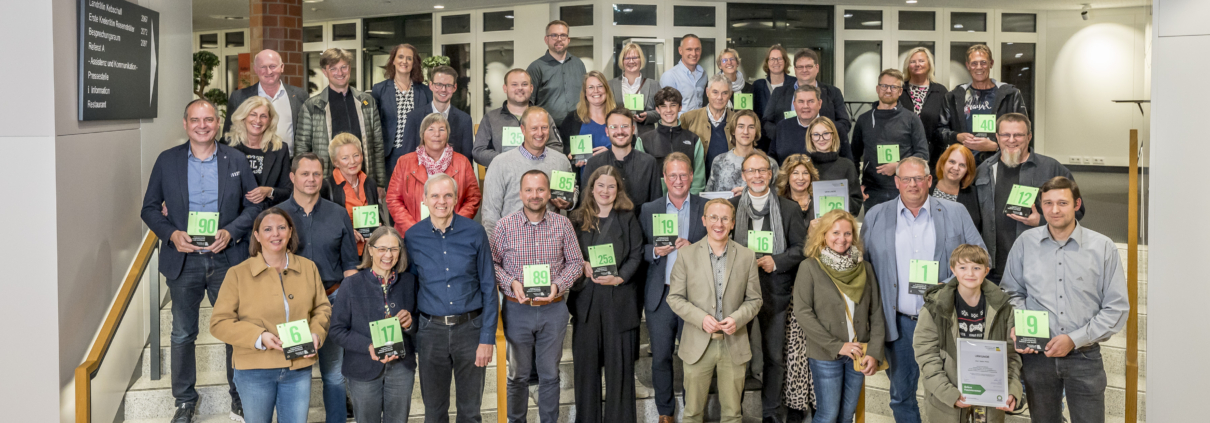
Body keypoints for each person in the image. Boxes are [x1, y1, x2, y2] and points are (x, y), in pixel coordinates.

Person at [141, 99, 262, 423]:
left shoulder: (236, 159)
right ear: (185, 124)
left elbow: (254, 207)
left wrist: (231, 231)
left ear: (217, 123)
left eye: (208, 119)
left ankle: (239, 397)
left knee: (234, 330)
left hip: (227, 259)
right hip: (185, 260)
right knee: (182, 334)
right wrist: (171, 234)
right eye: (195, 120)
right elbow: (149, 208)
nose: (202, 126)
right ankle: (184, 401)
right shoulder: (167, 161)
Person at [860, 157, 985, 423]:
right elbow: (865, 270)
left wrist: (951, 283)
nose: (913, 184)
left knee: (949, 393)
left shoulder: (955, 212)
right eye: (906, 179)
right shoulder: (876, 215)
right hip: (899, 323)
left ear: (929, 180)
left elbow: (981, 257)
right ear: (897, 182)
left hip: (944, 320)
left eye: (919, 178)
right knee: (901, 395)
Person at [1001, 177, 1128, 423]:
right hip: (1038, 357)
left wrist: (1073, 339)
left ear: (1076, 204)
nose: (1055, 210)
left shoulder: (1103, 247)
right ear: (1040, 205)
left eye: (1062, 202)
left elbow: (1116, 309)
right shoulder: (1025, 243)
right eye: (1048, 203)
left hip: (1084, 356)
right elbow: (1011, 292)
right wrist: (1021, 325)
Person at [209, 208, 331, 423]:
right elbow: (219, 323)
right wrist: (259, 336)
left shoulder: (308, 268)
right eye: (267, 229)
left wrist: (316, 333)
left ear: (290, 232)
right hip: (254, 370)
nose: (276, 234)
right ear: (256, 236)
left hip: (298, 366)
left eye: (281, 227)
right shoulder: (237, 274)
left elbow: (322, 308)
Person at [404, 173, 498, 423]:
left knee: (470, 412)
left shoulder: (475, 232)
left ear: (456, 198)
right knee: (434, 413)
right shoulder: (412, 237)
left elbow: (489, 288)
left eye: (447, 195)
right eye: (435, 195)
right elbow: (410, 287)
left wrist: (487, 338)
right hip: (430, 333)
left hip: (470, 331)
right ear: (425, 199)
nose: (441, 201)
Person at [493, 169, 585, 423]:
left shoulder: (563, 224)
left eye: (540, 189)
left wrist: (558, 285)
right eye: (529, 190)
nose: (535, 195)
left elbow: (576, 263)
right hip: (517, 309)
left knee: (550, 375)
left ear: (548, 193)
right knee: (518, 376)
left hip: (553, 310)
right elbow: (492, 263)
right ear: (520, 193)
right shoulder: (504, 226)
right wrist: (511, 283)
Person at [279, 153, 361, 423]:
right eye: (305, 174)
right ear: (292, 177)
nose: (311, 179)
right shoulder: (277, 216)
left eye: (316, 174)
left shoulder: (338, 213)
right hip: (293, 306)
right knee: (296, 371)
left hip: (332, 300)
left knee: (334, 373)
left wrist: (349, 306)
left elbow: (350, 264)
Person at [727, 151, 807, 423]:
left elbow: (802, 248)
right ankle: (733, 412)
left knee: (774, 356)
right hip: (738, 293)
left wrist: (777, 261)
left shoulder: (788, 208)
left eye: (762, 170)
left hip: (775, 291)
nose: (757, 175)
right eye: (751, 171)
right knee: (736, 356)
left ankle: (770, 413)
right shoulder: (731, 207)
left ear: (771, 174)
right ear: (743, 175)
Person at [666, 198, 763, 423]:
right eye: (714, 217)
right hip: (697, 344)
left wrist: (737, 318)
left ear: (732, 223)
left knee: (732, 415)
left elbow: (755, 299)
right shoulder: (686, 255)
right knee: (692, 414)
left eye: (725, 219)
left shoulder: (747, 256)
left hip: (734, 343)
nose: (719, 224)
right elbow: (675, 298)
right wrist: (701, 319)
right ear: (704, 220)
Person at [791, 209, 884, 423]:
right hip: (825, 354)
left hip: (859, 353)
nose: (842, 239)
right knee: (828, 415)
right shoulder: (809, 267)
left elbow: (877, 312)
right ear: (823, 234)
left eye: (847, 233)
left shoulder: (865, 268)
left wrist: (874, 352)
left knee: (846, 415)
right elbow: (803, 313)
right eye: (835, 233)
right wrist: (837, 346)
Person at [568, 166, 645, 423]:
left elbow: (636, 254)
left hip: (619, 301)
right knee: (586, 372)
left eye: (611, 186)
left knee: (620, 373)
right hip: (587, 302)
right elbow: (567, 253)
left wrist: (620, 277)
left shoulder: (628, 217)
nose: (605, 191)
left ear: (618, 190)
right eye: (600, 185)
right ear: (591, 188)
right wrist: (581, 264)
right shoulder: (576, 218)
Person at [914, 244, 1022, 423]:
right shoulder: (934, 307)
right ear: (953, 270)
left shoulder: (1003, 308)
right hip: (947, 399)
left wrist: (1011, 389)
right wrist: (948, 393)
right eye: (963, 267)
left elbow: (1011, 356)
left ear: (986, 270)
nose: (970, 273)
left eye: (976, 268)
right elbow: (926, 355)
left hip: (988, 402)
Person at [973, 113, 1082, 283]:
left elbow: (1078, 211)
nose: (1011, 140)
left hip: (1040, 265)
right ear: (997, 137)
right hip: (993, 267)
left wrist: (1041, 220)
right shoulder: (983, 170)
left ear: (1029, 137)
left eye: (1018, 135)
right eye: (1005, 135)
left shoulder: (1051, 168)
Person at [639, 153, 708, 423]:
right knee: (660, 358)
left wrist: (696, 248)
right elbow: (638, 249)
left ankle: (692, 411)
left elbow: (720, 244)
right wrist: (654, 251)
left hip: (695, 296)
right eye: (672, 175)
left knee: (694, 358)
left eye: (683, 175)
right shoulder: (649, 209)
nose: (678, 180)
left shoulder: (706, 207)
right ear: (664, 178)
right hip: (662, 294)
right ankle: (665, 413)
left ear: (691, 176)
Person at [328, 226, 417, 423]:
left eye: (394, 249)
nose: (388, 255)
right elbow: (336, 330)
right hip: (362, 368)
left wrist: (410, 324)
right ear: (370, 249)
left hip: (401, 368)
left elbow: (419, 323)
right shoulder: (351, 284)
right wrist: (368, 346)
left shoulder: (409, 282)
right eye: (382, 248)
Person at [296, 48, 386, 190]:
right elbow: (302, 150)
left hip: (363, 181)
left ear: (349, 68)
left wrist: (379, 184)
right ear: (325, 72)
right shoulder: (312, 106)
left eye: (344, 67)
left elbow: (378, 145)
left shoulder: (367, 102)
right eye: (333, 69)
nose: (340, 73)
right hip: (327, 184)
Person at [480, 106, 575, 235]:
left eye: (544, 127)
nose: (540, 133)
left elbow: (572, 192)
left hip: (550, 241)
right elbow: (490, 215)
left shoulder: (561, 162)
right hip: (511, 241)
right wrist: (494, 246)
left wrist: (569, 202)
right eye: (534, 128)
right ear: (523, 130)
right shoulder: (500, 163)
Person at [386, 113, 482, 236]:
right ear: (422, 134)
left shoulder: (462, 162)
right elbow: (393, 199)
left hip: (453, 236)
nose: (436, 134)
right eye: (431, 129)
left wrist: (455, 226)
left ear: (447, 135)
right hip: (412, 235)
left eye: (442, 129)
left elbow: (473, 198)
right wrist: (414, 229)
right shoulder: (404, 162)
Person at [852, 69, 929, 212]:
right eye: (884, 86)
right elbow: (854, 156)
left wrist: (899, 166)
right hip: (872, 191)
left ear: (900, 91)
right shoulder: (864, 120)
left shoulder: (912, 119)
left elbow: (923, 155)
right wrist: (856, 186)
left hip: (905, 189)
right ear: (877, 89)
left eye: (893, 87)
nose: (888, 90)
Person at [938, 44, 1029, 160]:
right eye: (974, 63)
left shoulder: (1010, 95)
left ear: (991, 63)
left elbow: (1023, 132)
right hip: (964, 163)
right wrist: (957, 136)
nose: (979, 67)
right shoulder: (953, 96)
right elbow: (939, 131)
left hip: (1000, 162)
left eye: (983, 62)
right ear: (968, 65)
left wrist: (997, 146)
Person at [763, 48, 851, 160]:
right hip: (788, 154)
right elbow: (766, 122)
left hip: (823, 155)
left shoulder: (833, 92)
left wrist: (824, 136)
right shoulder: (779, 93)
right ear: (795, 70)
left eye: (809, 66)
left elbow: (844, 123)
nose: (804, 70)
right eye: (800, 67)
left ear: (817, 68)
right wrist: (783, 135)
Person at [472, 69, 564, 167]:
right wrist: (508, 160)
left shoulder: (544, 116)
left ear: (531, 88)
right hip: (503, 172)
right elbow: (478, 152)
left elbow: (557, 147)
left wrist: (535, 158)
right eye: (514, 84)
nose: (520, 88)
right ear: (505, 88)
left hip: (538, 172)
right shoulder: (490, 118)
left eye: (524, 84)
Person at [373, 43, 434, 183]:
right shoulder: (379, 90)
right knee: (393, 193)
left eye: (409, 58)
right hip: (390, 156)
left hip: (419, 154)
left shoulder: (425, 92)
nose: (404, 61)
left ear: (414, 63)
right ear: (393, 60)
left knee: (417, 192)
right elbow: (375, 125)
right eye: (400, 57)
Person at [223, 49, 307, 149]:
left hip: (291, 157)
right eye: (263, 67)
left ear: (282, 67)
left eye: (273, 66)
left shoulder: (300, 96)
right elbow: (229, 134)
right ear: (255, 69)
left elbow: (306, 133)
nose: (269, 71)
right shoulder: (239, 97)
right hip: (249, 157)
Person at [581, 108, 662, 205]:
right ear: (607, 131)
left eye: (625, 126)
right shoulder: (593, 164)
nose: (620, 131)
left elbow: (656, 205)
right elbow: (585, 204)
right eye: (614, 127)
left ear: (633, 129)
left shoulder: (649, 163)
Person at [320, 133, 384, 255]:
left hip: (370, 252)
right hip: (342, 254)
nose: (352, 161)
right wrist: (347, 232)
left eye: (356, 155)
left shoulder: (370, 183)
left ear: (362, 156)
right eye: (345, 158)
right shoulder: (326, 186)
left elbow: (377, 216)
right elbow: (321, 225)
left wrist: (379, 227)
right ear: (335, 162)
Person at [636, 87, 706, 194]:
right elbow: (641, 177)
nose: (668, 110)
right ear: (657, 109)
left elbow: (699, 178)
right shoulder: (643, 141)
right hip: (655, 200)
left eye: (673, 105)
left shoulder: (694, 139)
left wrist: (691, 199)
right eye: (663, 106)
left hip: (687, 200)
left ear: (680, 107)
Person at [226, 96, 294, 208]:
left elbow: (288, 191)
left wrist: (269, 191)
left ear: (270, 120)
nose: (258, 120)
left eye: (263, 116)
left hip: (267, 211)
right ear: (244, 117)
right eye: (253, 114)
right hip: (234, 210)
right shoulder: (227, 145)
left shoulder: (280, 149)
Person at [395, 65, 474, 160]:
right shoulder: (414, 117)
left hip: (454, 170)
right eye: (439, 85)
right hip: (420, 169)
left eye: (448, 85)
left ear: (455, 87)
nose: (443, 89)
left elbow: (467, 161)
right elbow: (407, 158)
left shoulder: (465, 120)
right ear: (431, 85)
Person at [527, 20, 587, 126]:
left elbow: (586, 95)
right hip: (548, 128)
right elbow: (528, 102)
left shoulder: (579, 64)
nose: (559, 39)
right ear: (546, 39)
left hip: (577, 126)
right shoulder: (536, 67)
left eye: (563, 35)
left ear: (568, 40)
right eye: (554, 35)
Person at [899, 47, 950, 170]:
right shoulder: (899, 89)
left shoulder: (940, 91)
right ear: (907, 65)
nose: (917, 64)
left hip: (934, 156)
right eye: (913, 61)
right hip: (903, 153)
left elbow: (946, 124)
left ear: (929, 64)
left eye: (921, 61)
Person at [705, 110, 779, 193]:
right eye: (741, 126)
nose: (745, 132)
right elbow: (709, 195)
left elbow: (777, 197)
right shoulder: (719, 161)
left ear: (756, 131)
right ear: (733, 130)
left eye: (751, 127)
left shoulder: (769, 163)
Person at [683, 74, 738, 176]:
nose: (719, 97)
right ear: (707, 92)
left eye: (724, 93)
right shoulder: (688, 118)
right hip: (697, 180)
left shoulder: (737, 120)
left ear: (730, 95)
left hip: (729, 181)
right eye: (715, 92)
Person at [558, 70, 615, 168]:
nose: (596, 90)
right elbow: (562, 146)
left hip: (612, 174)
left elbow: (629, 147)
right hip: (582, 175)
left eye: (600, 86)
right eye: (591, 87)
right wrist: (570, 155)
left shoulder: (618, 117)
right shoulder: (572, 118)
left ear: (606, 89)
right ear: (585, 92)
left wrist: (611, 154)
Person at [806, 116, 863, 215]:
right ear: (810, 138)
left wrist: (837, 199)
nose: (821, 138)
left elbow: (856, 205)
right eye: (816, 134)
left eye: (826, 133)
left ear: (833, 135)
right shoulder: (805, 166)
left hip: (840, 221)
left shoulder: (847, 165)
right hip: (811, 222)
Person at [768, 84, 822, 164]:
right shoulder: (782, 126)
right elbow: (772, 159)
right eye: (801, 101)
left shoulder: (833, 128)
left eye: (810, 101)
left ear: (819, 104)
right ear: (794, 104)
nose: (805, 106)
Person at [932, 144, 982, 230]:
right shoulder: (925, 189)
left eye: (962, 165)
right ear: (943, 162)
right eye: (952, 162)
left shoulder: (975, 194)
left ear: (967, 170)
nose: (956, 168)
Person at [609, 42, 659, 125]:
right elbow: (605, 111)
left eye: (635, 57)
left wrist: (648, 115)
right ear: (622, 61)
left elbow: (662, 112)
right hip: (619, 131)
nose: (631, 61)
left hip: (645, 132)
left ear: (641, 60)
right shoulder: (611, 85)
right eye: (627, 58)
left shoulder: (653, 85)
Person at [660, 34, 707, 114]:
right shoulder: (670, 76)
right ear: (680, 50)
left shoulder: (703, 74)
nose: (694, 53)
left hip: (700, 121)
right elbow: (667, 110)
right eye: (689, 49)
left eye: (697, 49)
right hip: (680, 122)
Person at [776, 153, 821, 223]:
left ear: (811, 176)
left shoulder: (820, 201)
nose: (801, 178)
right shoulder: (779, 204)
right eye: (795, 173)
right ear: (787, 176)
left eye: (805, 173)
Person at [752, 45, 790, 120]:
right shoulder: (758, 86)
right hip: (764, 127)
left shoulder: (794, 83)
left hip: (788, 127)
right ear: (767, 62)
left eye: (779, 58)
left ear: (785, 61)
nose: (776, 62)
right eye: (772, 59)